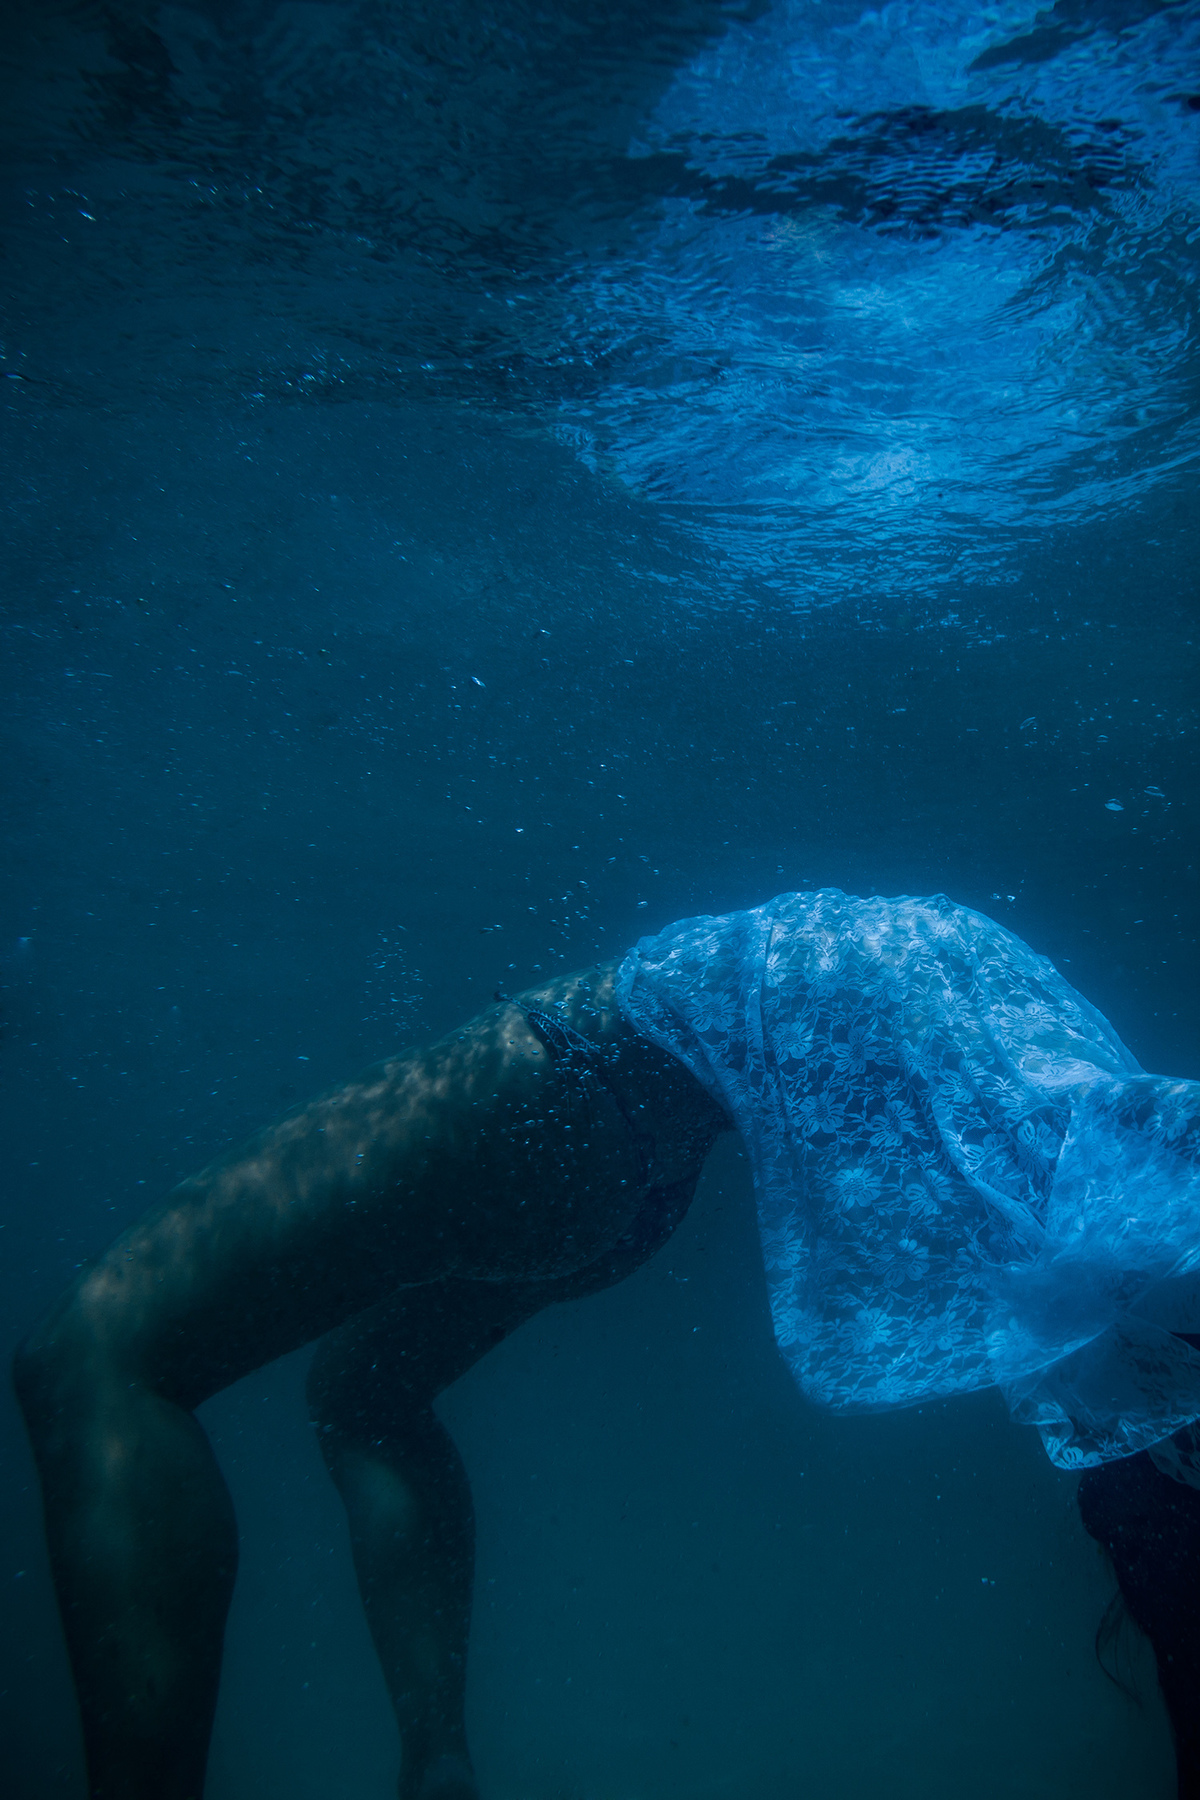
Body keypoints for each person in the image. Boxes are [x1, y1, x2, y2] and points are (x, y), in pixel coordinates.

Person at [14, 890, 1200, 1800]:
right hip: (630, 1176)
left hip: (563, 1085)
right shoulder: (1001, 1011)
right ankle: (438, 1768)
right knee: (363, 1394)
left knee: (95, 1354)